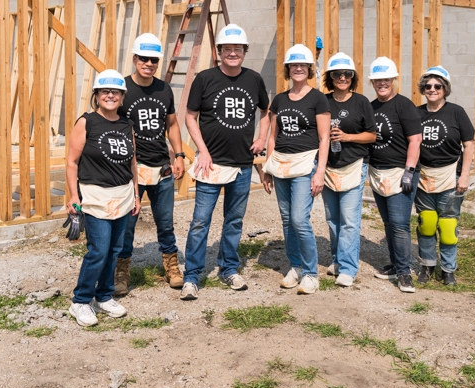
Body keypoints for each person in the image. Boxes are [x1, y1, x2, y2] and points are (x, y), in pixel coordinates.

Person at [181, 23, 269, 300]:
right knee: (200, 221)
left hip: (243, 165)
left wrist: (262, 137)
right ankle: (192, 276)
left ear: (244, 52)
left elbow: (266, 111)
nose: (233, 53)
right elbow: (189, 116)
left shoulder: (254, 79)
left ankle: (228, 268)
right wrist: (202, 151)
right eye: (227, 49)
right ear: (219, 51)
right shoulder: (205, 79)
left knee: (234, 220)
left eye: (238, 49)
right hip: (212, 163)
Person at [66, 70, 141, 326]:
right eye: (105, 91)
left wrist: (136, 193)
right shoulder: (86, 122)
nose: (110, 95)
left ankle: (104, 295)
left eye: (116, 92)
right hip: (95, 196)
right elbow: (72, 162)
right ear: (96, 95)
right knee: (98, 250)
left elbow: (132, 161)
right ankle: (81, 301)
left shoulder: (126, 124)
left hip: (122, 195)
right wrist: (73, 197)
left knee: (115, 250)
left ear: (122, 96)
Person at [114, 34, 187, 295]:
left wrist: (178, 155)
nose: (148, 63)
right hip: (133, 169)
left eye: (153, 60)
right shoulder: (122, 89)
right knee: (128, 223)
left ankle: (172, 267)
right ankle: (121, 271)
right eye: (143, 58)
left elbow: (172, 124)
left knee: (165, 222)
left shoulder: (163, 89)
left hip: (161, 167)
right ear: (134, 59)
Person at [261, 44, 330, 294]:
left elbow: (324, 138)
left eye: (303, 65)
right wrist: (268, 167)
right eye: (294, 65)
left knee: (300, 219)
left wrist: (319, 172)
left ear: (309, 69)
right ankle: (296, 266)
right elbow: (272, 136)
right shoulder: (279, 99)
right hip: (281, 164)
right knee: (288, 220)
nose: (298, 68)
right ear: (288, 69)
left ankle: (311, 274)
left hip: (305, 164)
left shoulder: (317, 99)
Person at [413, 66, 474, 286]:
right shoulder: (416, 113)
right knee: (427, 224)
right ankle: (427, 266)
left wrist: (464, 175)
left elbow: (468, 145)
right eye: (428, 86)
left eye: (437, 86)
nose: (432, 89)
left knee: (448, 227)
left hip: (450, 176)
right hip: (424, 178)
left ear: (445, 89)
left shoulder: (456, 112)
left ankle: (448, 269)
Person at [320, 52, 376, 288]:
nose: (342, 78)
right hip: (328, 167)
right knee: (333, 218)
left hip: (354, 166)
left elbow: (372, 135)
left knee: (350, 220)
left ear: (352, 77)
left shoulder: (361, 102)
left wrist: (347, 136)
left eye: (347, 74)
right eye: (337, 74)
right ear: (330, 78)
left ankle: (348, 268)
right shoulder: (323, 101)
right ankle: (337, 259)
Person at [367, 56, 422, 293]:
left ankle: (404, 272)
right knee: (388, 222)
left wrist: (409, 171)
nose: (382, 83)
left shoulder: (404, 105)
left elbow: (415, 140)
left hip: (401, 172)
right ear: (372, 82)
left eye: (386, 79)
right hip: (378, 173)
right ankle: (395, 263)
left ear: (394, 80)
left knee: (400, 224)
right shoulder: (371, 107)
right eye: (378, 80)